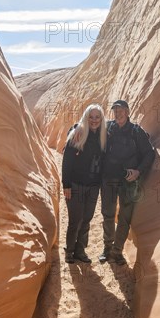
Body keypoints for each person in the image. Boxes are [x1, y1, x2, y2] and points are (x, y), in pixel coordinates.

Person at [99, 100, 155, 265]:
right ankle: (107, 248)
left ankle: (117, 251)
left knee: (124, 217)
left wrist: (138, 171)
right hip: (108, 179)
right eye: (115, 110)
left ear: (128, 111)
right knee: (108, 214)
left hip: (128, 181)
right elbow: (88, 128)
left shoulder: (136, 131)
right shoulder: (108, 128)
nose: (118, 113)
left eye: (121, 110)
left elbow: (149, 154)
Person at [62, 104, 106, 264]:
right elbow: (67, 161)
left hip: (93, 186)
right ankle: (69, 251)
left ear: (101, 119)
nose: (94, 120)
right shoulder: (78, 134)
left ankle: (80, 251)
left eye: (97, 117)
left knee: (87, 218)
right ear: (86, 117)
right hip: (76, 185)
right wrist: (66, 184)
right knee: (76, 219)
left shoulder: (102, 135)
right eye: (91, 117)